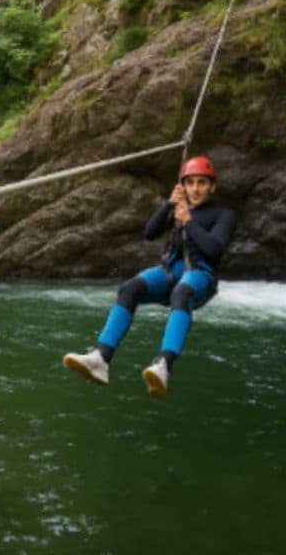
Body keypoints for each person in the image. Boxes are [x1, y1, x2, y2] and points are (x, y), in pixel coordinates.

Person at [63, 155, 237, 397]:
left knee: (182, 292)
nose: (195, 189)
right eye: (190, 183)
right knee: (130, 289)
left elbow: (214, 248)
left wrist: (188, 222)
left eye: (202, 183)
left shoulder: (223, 214)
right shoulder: (179, 209)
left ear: (212, 187)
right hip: (171, 273)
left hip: (201, 277)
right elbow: (149, 233)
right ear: (183, 186)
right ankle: (101, 358)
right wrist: (168, 205)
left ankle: (165, 366)